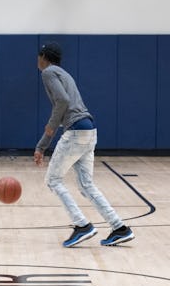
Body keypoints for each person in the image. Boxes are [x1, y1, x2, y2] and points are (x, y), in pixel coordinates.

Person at [33, 42, 135, 247]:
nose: (37, 60)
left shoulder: (48, 72)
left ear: (43, 56)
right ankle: (119, 228)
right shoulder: (64, 73)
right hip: (89, 130)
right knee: (86, 185)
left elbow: (62, 101)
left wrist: (44, 141)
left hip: (76, 131)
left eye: (38, 56)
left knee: (53, 180)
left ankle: (82, 225)